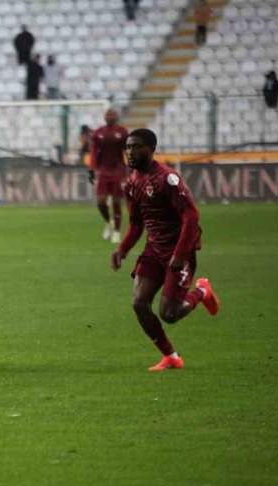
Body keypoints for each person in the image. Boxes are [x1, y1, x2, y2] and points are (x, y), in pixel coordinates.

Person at [110, 128, 219, 371]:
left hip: (179, 250)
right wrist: (123, 249)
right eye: (128, 147)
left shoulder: (167, 178)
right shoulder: (132, 183)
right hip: (153, 249)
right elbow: (137, 223)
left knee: (169, 313)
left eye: (136, 146)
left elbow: (191, 215)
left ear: (151, 149)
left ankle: (202, 291)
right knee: (139, 303)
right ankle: (171, 357)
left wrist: (180, 254)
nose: (130, 152)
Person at [88, 108, 129, 243]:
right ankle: (108, 222)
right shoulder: (98, 133)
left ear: (116, 116)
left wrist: (132, 167)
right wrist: (91, 169)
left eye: (112, 114)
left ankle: (116, 231)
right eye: (107, 114)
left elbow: (127, 151)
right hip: (103, 171)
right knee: (100, 202)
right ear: (104, 117)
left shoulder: (122, 132)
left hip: (118, 171)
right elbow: (93, 152)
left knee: (117, 202)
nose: (109, 117)